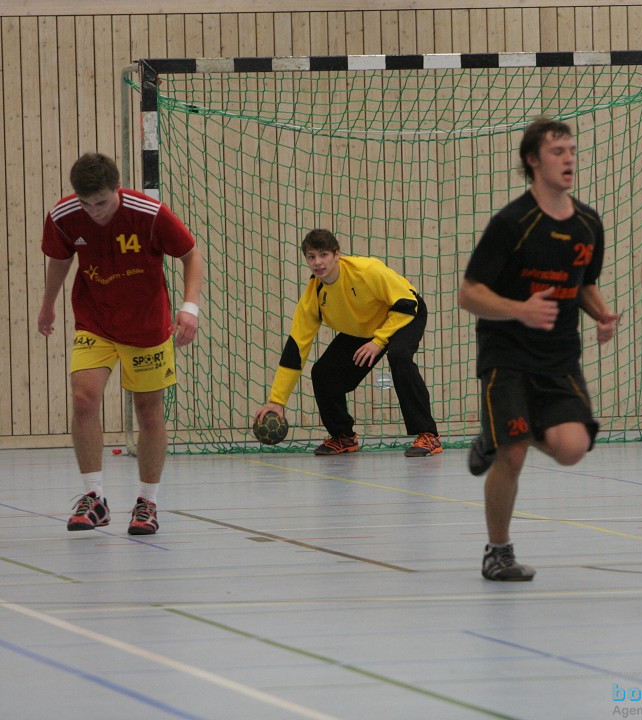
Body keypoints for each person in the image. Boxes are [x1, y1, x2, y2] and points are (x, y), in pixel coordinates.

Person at [459, 117, 618, 581]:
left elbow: (584, 283)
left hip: (558, 357)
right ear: (533, 161)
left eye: (572, 150)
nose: (569, 158)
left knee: (572, 448)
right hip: (506, 352)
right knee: (514, 453)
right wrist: (518, 310)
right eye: (557, 151)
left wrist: (602, 315)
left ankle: (499, 432)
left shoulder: (589, 224)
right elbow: (469, 293)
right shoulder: (512, 223)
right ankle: (498, 551)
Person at [38, 152, 205, 535]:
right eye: (86, 203)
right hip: (95, 321)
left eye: (102, 202)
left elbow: (190, 255)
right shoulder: (64, 216)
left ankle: (147, 502)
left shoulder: (149, 214)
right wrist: (47, 305)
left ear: (117, 189)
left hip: (146, 327)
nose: (94, 211)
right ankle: (94, 497)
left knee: (148, 413)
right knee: (83, 397)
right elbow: (61, 260)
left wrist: (189, 308)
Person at [254, 229, 442, 457]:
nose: (318, 262)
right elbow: (296, 349)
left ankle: (428, 435)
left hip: (403, 314)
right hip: (363, 328)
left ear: (336, 255)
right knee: (323, 373)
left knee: (399, 356)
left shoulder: (367, 270)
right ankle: (343, 437)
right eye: (311, 256)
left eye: (323, 254)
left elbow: (407, 303)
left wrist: (380, 341)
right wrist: (277, 400)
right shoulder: (314, 296)